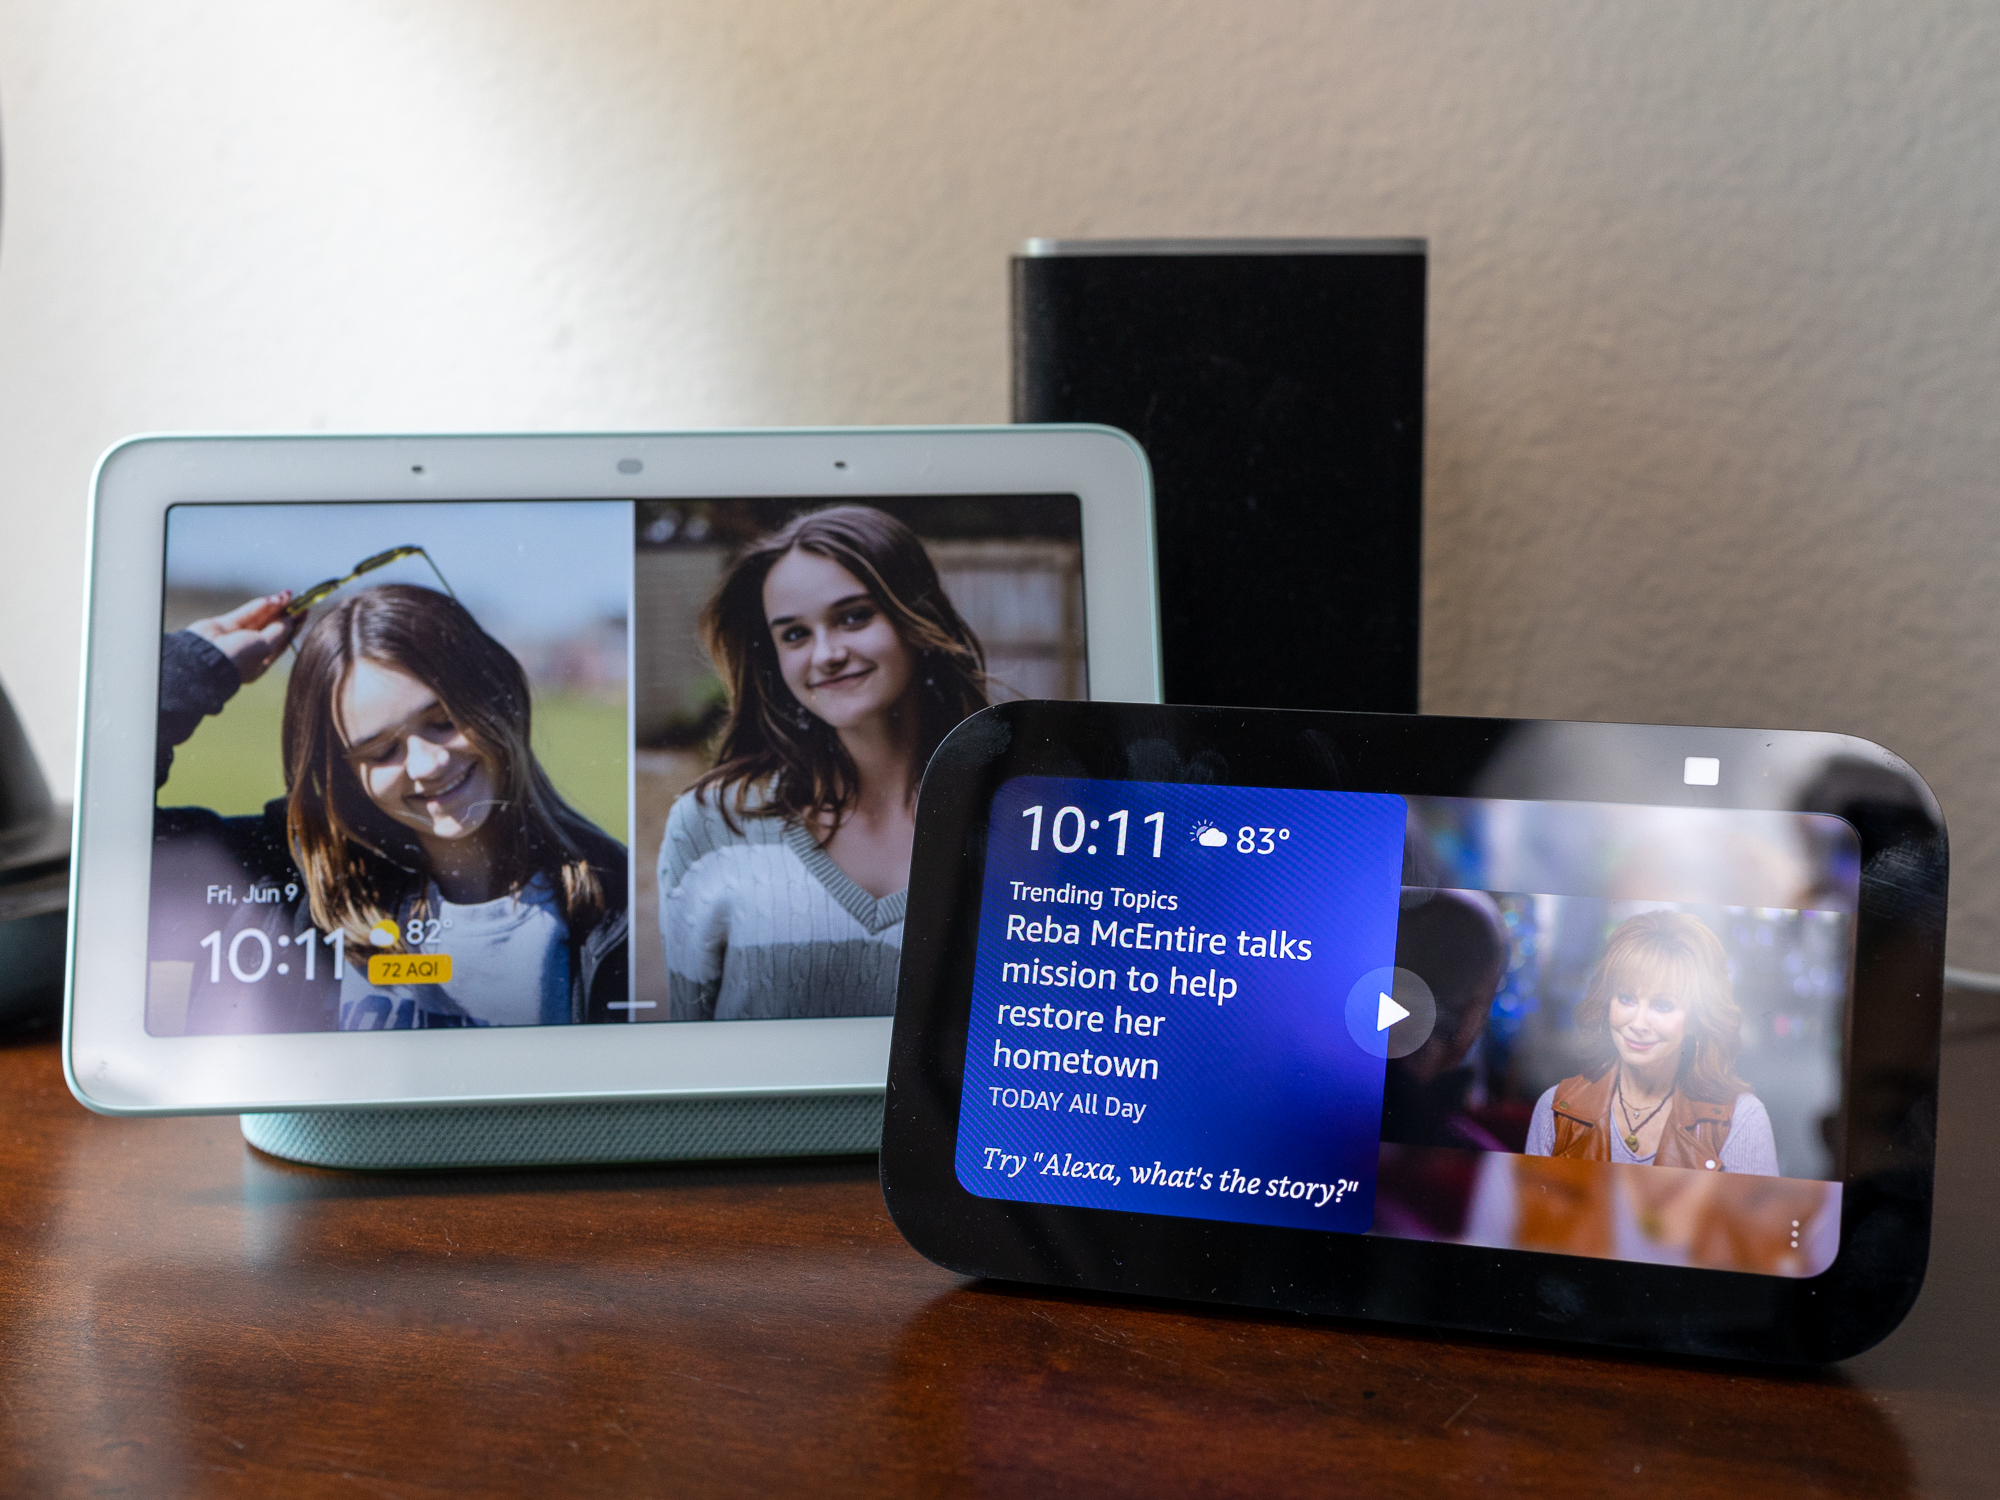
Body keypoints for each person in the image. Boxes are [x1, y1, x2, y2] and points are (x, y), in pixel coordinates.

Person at [156, 585, 628, 1031]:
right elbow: (111, 838)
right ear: (342, 774)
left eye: (443, 722)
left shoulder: (624, 903)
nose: (429, 764)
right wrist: (191, 665)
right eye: (381, 753)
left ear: (496, 695)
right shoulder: (283, 881)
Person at [657, 506, 987, 1020]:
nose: (826, 654)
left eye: (854, 616)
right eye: (794, 635)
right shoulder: (712, 824)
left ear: (916, 618)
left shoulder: (1018, 820)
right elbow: (688, 1058)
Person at [1523, 910, 1778, 1174]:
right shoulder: (1555, 1108)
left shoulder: (1740, 1120)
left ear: (1696, 1020)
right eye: (1626, 998)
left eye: (1663, 1005)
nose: (1638, 1023)